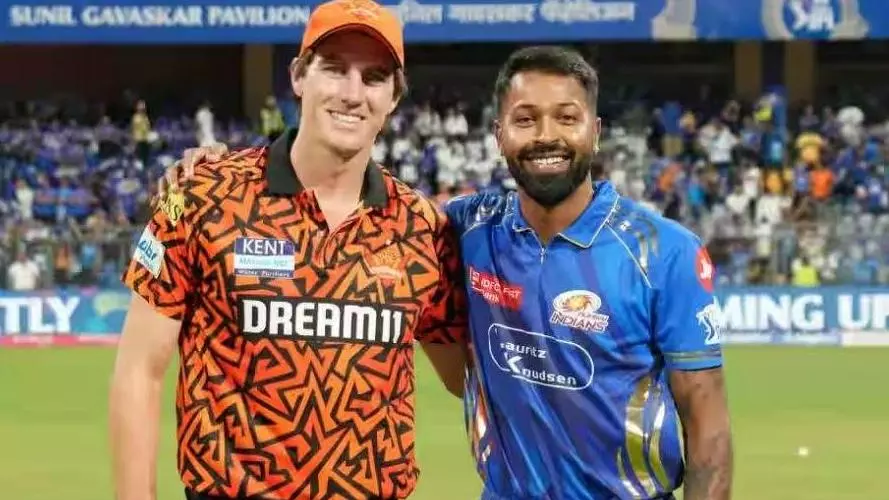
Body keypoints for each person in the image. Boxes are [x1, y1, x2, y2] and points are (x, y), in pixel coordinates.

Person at [163, 46, 734, 499]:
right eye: (525, 119)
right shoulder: (462, 230)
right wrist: (227, 167)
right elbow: (356, 196)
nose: (546, 137)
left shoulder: (665, 252)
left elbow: (707, 429)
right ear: (499, 136)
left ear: (596, 131)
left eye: (567, 118)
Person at [109, 2, 468, 500]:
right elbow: (138, 371)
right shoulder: (201, 195)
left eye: (374, 77)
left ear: (394, 98)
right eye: (335, 68)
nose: (352, 93)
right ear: (299, 76)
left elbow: (468, 381)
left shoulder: (422, 227)